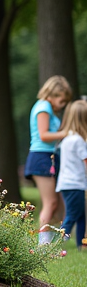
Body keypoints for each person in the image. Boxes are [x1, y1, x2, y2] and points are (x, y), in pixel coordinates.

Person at [26, 75, 72, 244]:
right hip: (41, 157)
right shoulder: (44, 107)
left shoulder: (48, 108)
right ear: (52, 93)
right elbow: (44, 135)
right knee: (50, 202)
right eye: (61, 99)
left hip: (49, 157)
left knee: (57, 203)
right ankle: (43, 245)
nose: (62, 104)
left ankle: (53, 243)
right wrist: (67, 133)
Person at [56, 99, 87, 250]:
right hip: (75, 183)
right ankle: (56, 245)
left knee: (80, 215)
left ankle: (81, 244)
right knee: (72, 216)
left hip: (66, 183)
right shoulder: (79, 140)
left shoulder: (67, 139)